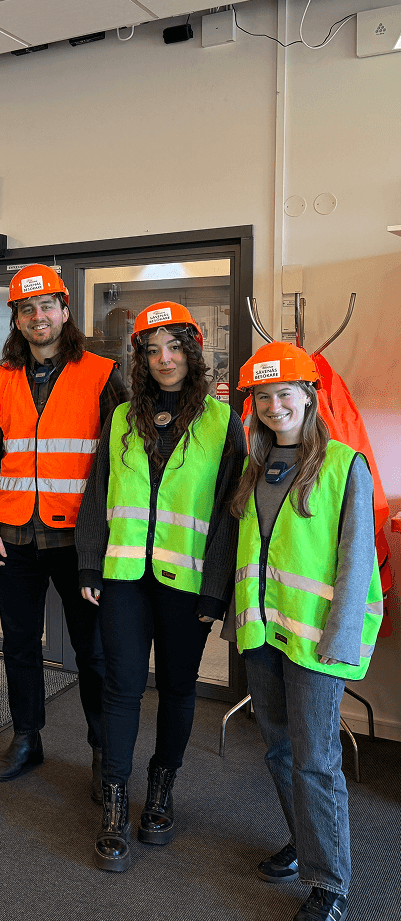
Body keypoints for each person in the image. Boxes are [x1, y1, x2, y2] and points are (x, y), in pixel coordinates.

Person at [75, 302, 245, 872]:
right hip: (123, 577)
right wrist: (89, 565)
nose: (163, 359)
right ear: (141, 359)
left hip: (187, 584)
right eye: (152, 350)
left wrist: (215, 590)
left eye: (173, 347)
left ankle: (161, 791)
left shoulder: (223, 422)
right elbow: (98, 492)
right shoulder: (123, 416)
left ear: (192, 352)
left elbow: (230, 513)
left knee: (176, 688)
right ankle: (115, 806)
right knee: (121, 687)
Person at [232, 342, 382, 921]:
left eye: (284, 393)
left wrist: (341, 640)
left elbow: (356, 561)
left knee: (316, 760)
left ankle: (329, 883)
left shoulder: (345, 464)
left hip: (317, 641)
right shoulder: (256, 464)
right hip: (264, 633)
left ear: (310, 396)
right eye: (263, 397)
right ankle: (303, 843)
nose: (274, 406)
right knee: (278, 749)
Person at [0, 264, 125, 794]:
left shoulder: (102, 374)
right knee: (19, 643)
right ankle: (26, 737)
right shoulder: (0, 379)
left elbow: (121, 461)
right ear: (16, 319)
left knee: (93, 650)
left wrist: (108, 536)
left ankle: (104, 751)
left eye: (45, 306)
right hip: (14, 535)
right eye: (26, 309)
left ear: (64, 310)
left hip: (80, 539)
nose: (37, 316)